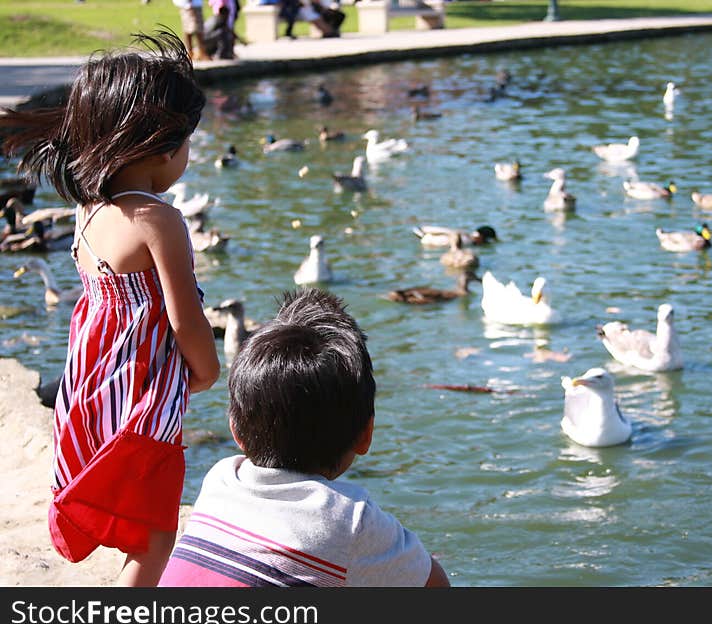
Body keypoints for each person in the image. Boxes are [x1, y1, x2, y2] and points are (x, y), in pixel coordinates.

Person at [0, 30, 221, 586]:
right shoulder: (159, 221)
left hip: (93, 384)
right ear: (163, 147)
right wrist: (206, 370)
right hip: (142, 393)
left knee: (132, 514)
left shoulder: (88, 211)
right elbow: (182, 317)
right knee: (155, 537)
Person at [159, 288, 450, 587]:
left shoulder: (220, 479)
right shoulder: (352, 520)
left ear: (235, 431)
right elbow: (437, 587)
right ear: (366, 434)